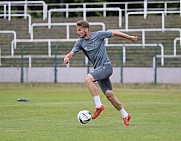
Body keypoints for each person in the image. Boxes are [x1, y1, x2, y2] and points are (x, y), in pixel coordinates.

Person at [64, 20, 138, 126]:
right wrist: (67, 57)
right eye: (77, 30)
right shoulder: (80, 42)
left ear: (86, 29)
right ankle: (126, 115)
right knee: (109, 95)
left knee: (88, 78)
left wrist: (129, 37)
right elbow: (72, 53)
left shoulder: (98, 35)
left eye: (79, 30)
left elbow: (114, 32)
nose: (77, 32)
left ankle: (98, 106)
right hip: (99, 70)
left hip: (106, 67)